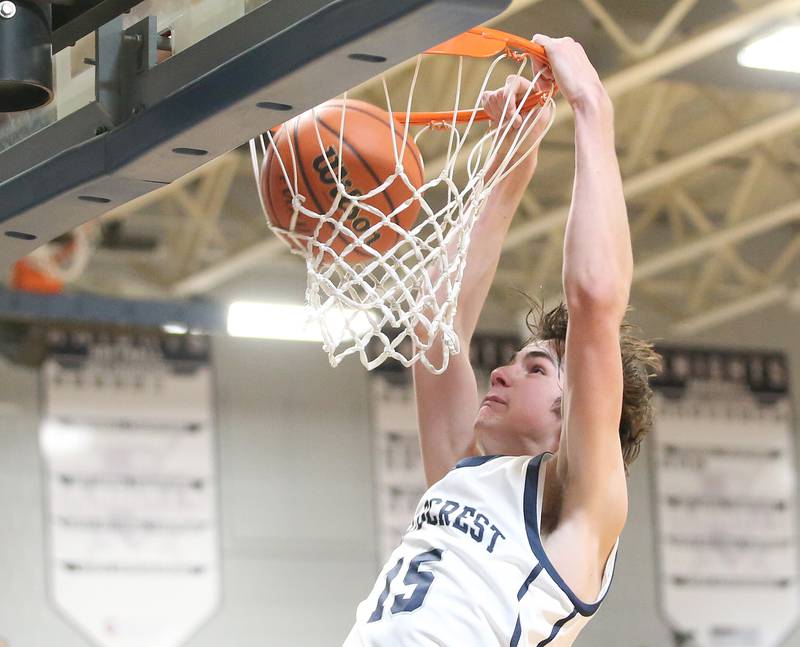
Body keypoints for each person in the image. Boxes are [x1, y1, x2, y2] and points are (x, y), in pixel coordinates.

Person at [343, 34, 661, 647]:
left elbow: (594, 296)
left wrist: (592, 106)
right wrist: (510, 164)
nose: (501, 374)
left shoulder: (580, 507)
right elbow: (435, 326)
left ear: (582, 414)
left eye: (537, 369)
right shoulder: (466, 473)